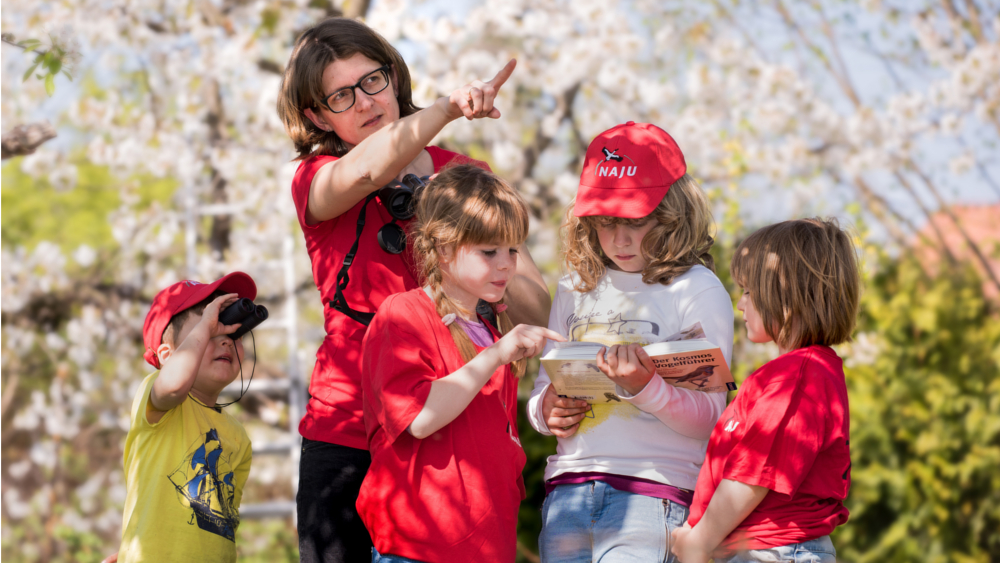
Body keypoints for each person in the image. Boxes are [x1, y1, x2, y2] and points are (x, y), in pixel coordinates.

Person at [275, 18, 551, 562]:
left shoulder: (465, 177)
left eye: (373, 80)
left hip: (450, 433)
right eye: (340, 95)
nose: (364, 102)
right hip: (348, 430)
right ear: (316, 115)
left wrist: (477, 241)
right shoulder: (319, 177)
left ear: (394, 76)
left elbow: (535, 305)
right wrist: (449, 108)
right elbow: (364, 173)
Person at [526, 122, 734, 562]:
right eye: (603, 223)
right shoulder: (574, 286)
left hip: (654, 492)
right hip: (569, 490)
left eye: (636, 222)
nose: (619, 240)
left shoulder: (697, 289)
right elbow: (541, 391)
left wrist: (645, 388)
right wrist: (546, 413)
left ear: (673, 211)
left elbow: (711, 419)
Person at [357, 165, 564, 563]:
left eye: (513, 250)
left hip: (487, 546)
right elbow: (419, 418)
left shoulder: (489, 326)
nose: (507, 264)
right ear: (443, 248)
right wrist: (499, 354)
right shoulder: (403, 313)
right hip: (418, 548)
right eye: (489, 251)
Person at [670, 218, 860, 563]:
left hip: (775, 552)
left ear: (785, 293)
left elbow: (754, 475)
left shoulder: (800, 377)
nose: (740, 305)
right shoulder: (794, 372)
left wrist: (700, 541)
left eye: (747, 291)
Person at [117, 273, 257, 562]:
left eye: (233, 334)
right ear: (167, 356)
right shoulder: (159, 398)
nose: (226, 342)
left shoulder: (238, 436)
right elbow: (173, 385)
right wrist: (207, 324)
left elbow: (226, 522)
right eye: (207, 333)